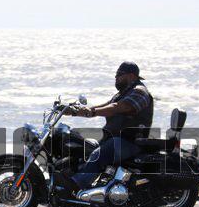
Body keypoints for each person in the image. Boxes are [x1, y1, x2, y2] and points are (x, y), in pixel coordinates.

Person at [59, 61, 154, 194]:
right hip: (114, 139)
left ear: (131, 76)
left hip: (130, 141)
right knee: (81, 145)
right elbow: (101, 107)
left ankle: (74, 186)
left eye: (119, 74)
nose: (116, 77)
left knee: (98, 154)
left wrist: (92, 112)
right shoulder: (122, 94)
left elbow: (118, 107)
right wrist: (73, 111)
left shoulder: (140, 92)